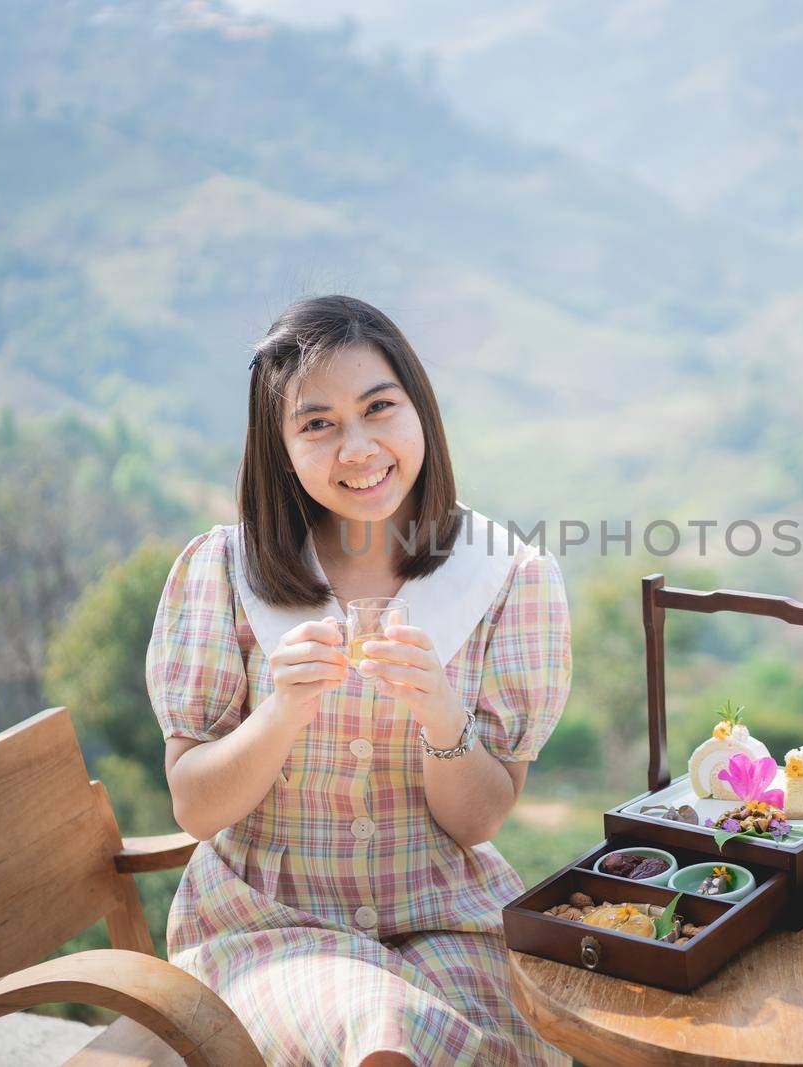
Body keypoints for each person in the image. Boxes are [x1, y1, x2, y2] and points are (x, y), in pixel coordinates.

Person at [145, 294, 573, 1066]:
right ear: (280, 449)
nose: (358, 447)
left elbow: (477, 823)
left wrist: (443, 716)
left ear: (420, 411)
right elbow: (195, 806)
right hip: (269, 926)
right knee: (384, 1028)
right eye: (318, 424)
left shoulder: (504, 577)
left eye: (380, 408)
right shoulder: (223, 572)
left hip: (444, 921)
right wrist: (279, 712)